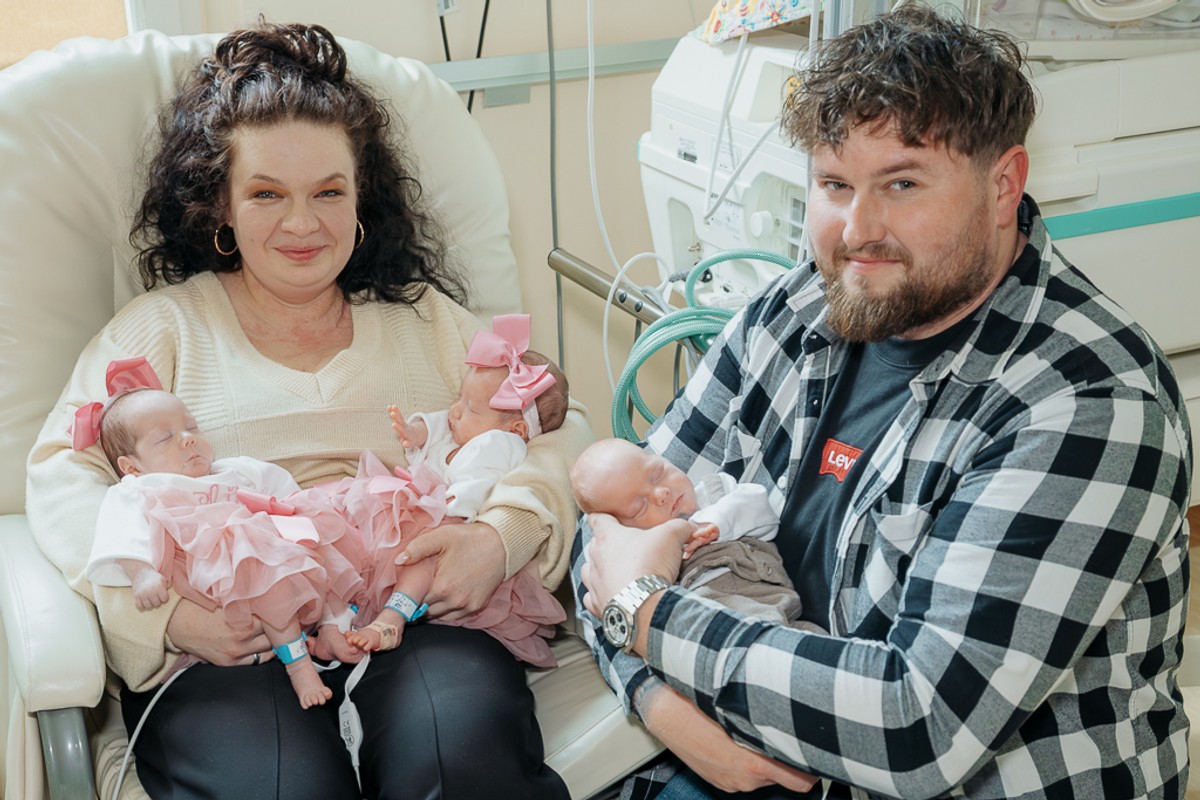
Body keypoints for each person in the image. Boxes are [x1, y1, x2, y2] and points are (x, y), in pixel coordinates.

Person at [576, 5, 1191, 799]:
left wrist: (646, 614)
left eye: (900, 183)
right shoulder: (791, 314)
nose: (856, 228)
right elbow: (604, 536)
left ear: (1004, 184)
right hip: (749, 755)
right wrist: (663, 708)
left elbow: (914, 725)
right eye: (834, 184)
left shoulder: (1088, 404)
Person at [26, 22, 588, 799]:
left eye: (329, 191)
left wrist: (502, 534)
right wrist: (163, 620)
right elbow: (62, 478)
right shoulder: (160, 330)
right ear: (218, 205)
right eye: (266, 194)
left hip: (415, 616)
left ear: (363, 199)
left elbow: (560, 426)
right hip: (229, 639)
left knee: (457, 759)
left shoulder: (428, 321)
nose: (302, 225)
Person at [80, 358, 365, 708]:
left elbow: (285, 493)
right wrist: (141, 575)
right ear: (132, 466)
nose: (188, 440)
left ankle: (334, 628)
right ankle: (300, 667)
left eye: (192, 427)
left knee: (313, 555)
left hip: (269, 560)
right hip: (213, 578)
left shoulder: (234, 470)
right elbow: (119, 533)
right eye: (166, 438)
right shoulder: (140, 489)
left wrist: (299, 521)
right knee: (269, 578)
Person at [342, 314, 569, 666]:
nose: (454, 410)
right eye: (459, 397)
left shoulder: (496, 444)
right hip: (421, 510)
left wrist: (450, 507)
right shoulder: (469, 429)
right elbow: (438, 425)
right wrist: (417, 431)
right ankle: (354, 611)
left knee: (420, 558)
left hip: (452, 519)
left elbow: (474, 487)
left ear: (516, 429)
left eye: (470, 407)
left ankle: (392, 618)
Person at [572, 437, 820, 630]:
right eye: (640, 507)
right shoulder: (642, 550)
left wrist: (714, 522)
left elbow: (764, 512)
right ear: (625, 529)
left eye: (657, 474)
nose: (661, 493)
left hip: (762, 597)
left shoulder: (714, 493)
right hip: (705, 620)